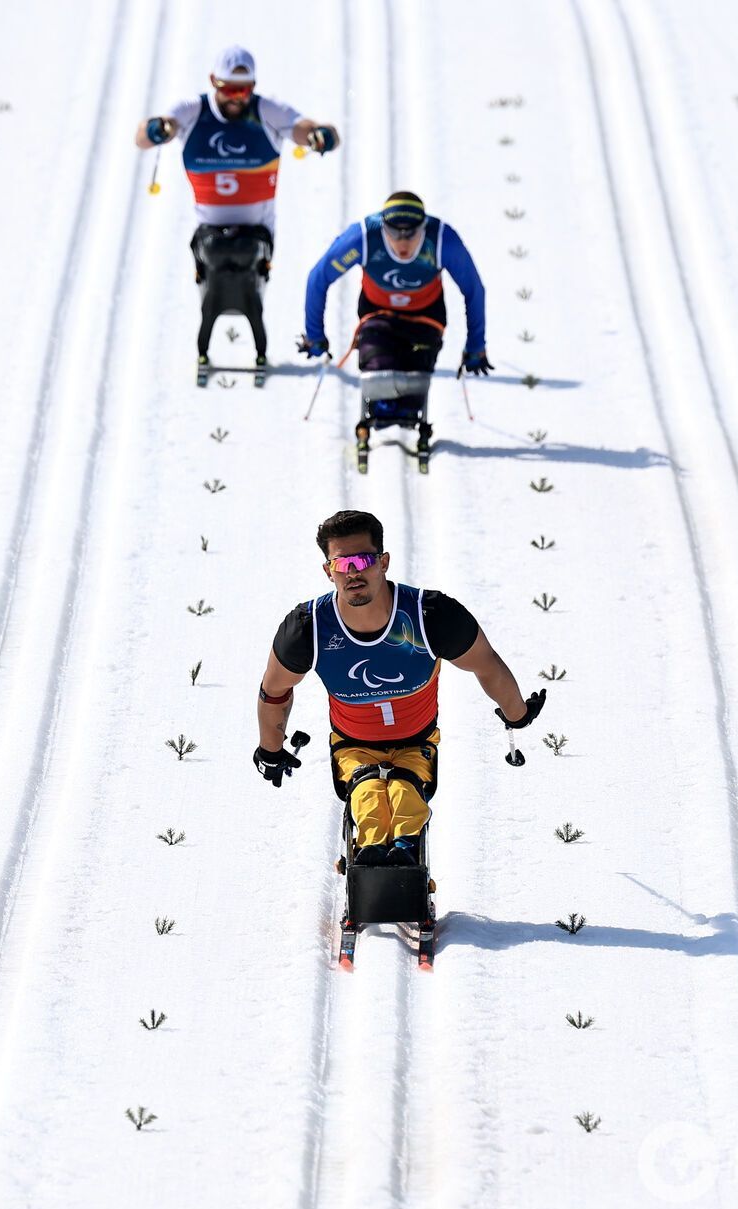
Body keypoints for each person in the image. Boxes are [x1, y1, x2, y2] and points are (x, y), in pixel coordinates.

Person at [253, 510, 543, 867]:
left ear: (383, 562)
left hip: (417, 741)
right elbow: (275, 691)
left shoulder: (431, 615)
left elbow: (487, 665)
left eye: (363, 560)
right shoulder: (308, 628)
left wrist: (518, 714)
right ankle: (370, 859)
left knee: (406, 792)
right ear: (328, 571)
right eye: (342, 564)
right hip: (353, 746)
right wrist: (270, 750)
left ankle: (406, 857)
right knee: (368, 795)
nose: (353, 572)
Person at [136, 45, 340, 381]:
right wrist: (160, 129)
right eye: (228, 89)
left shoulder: (265, 110)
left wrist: (321, 136)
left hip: (257, 230)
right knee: (214, 271)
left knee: (246, 273)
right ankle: (206, 340)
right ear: (213, 82)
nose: (236, 97)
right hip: (208, 231)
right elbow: (144, 136)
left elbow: (304, 127)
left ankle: (256, 340)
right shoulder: (193, 110)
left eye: (244, 90)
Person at [299, 192, 490, 471]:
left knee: (415, 382)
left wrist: (476, 346)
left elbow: (474, 290)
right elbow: (318, 278)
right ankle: (374, 416)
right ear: (383, 227)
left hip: (427, 317)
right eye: (394, 233)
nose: (402, 242)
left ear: (422, 228)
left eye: (411, 234)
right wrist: (314, 335)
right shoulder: (363, 238)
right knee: (378, 372)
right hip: (377, 314)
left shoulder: (442, 240)